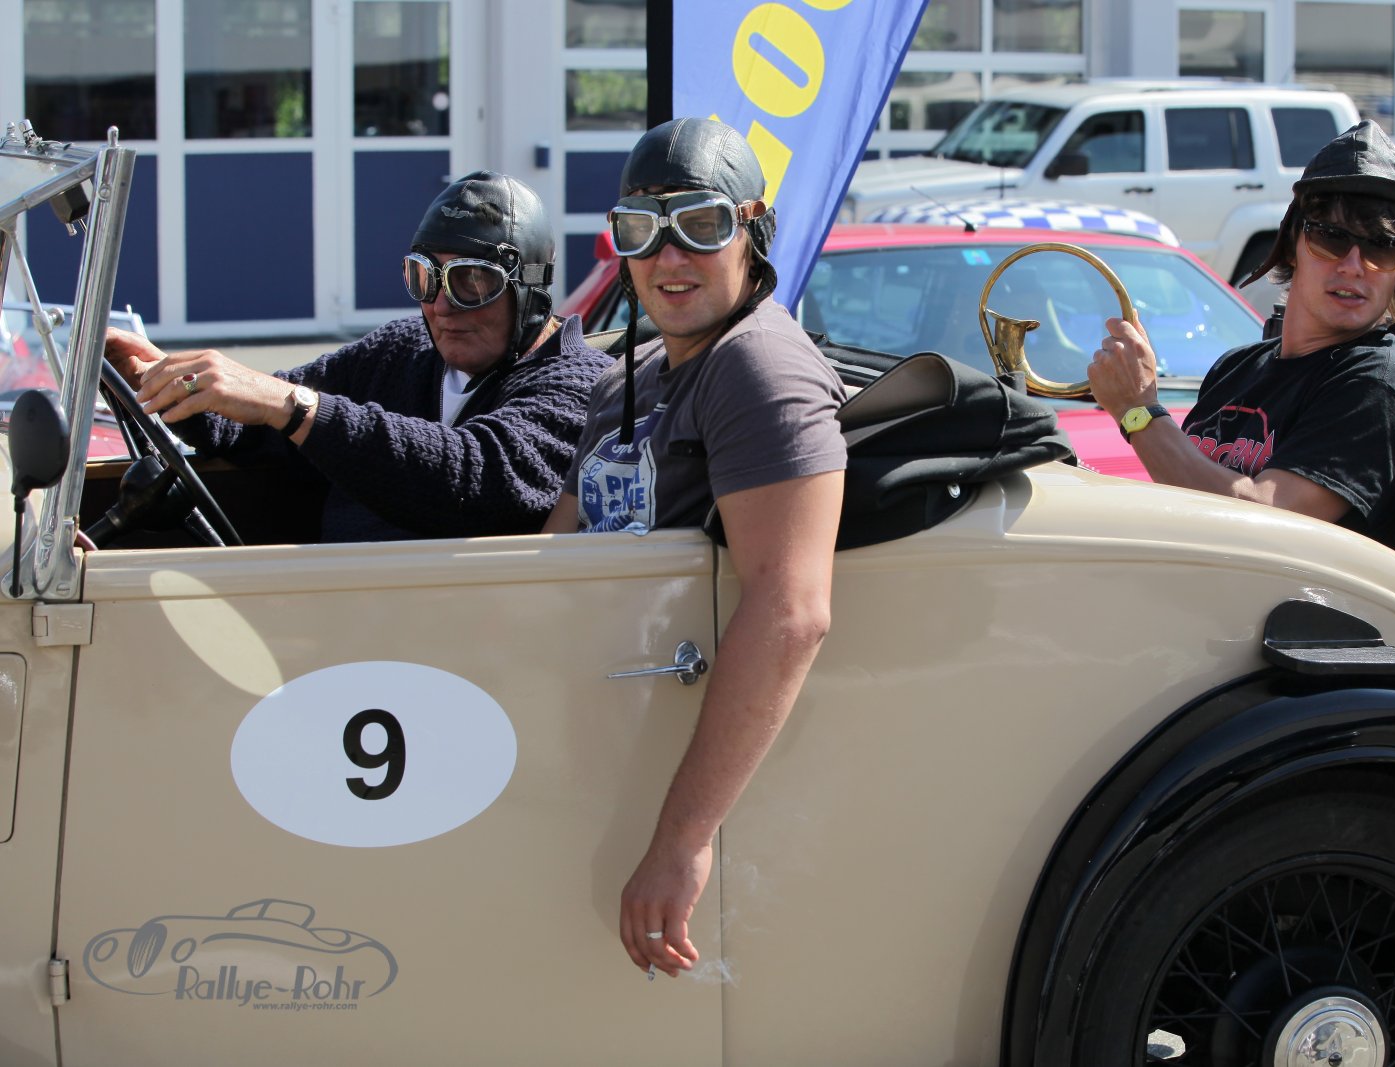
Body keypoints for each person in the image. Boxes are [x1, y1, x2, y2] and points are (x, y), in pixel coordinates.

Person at [542, 118, 848, 978]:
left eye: (700, 225)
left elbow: (790, 610)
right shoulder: (629, 376)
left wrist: (683, 840)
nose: (668, 257)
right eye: (640, 229)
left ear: (752, 229)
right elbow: (551, 556)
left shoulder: (757, 368)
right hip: (600, 753)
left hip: (674, 770)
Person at [102, 171, 611, 542]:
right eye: (425, 278)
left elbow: (472, 478)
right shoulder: (402, 351)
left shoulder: (586, 387)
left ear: (530, 290)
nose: (440, 305)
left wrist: (294, 406)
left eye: (471, 281)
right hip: (340, 628)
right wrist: (159, 381)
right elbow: (251, 425)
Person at [1086, 120, 1395, 533]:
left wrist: (1138, 412)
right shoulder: (1236, 368)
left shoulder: (1377, 385)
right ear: (1291, 246)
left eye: (1383, 248)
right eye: (1332, 238)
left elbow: (1267, 522)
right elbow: (1183, 505)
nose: (1355, 266)